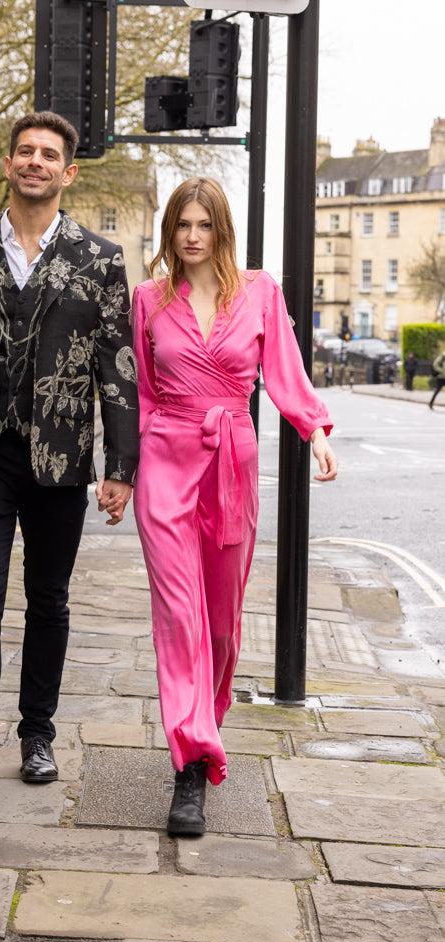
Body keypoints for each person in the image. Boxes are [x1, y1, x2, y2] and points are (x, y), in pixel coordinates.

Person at [0, 111, 139, 808]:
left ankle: (37, 734)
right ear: (8, 165)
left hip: (60, 460)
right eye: (24, 152)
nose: (35, 161)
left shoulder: (99, 261)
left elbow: (118, 371)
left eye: (48, 154)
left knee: (48, 601)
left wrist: (119, 468)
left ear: (68, 172)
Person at [132, 177, 338, 839]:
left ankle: (206, 720)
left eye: (204, 224)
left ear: (221, 229)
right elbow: (138, 391)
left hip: (232, 465)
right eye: (182, 225)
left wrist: (315, 429)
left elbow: (285, 372)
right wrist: (120, 469)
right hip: (164, 461)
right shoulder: (146, 300)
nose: (192, 236)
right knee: (180, 614)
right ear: (171, 231)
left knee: (221, 624)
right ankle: (191, 762)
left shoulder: (260, 293)